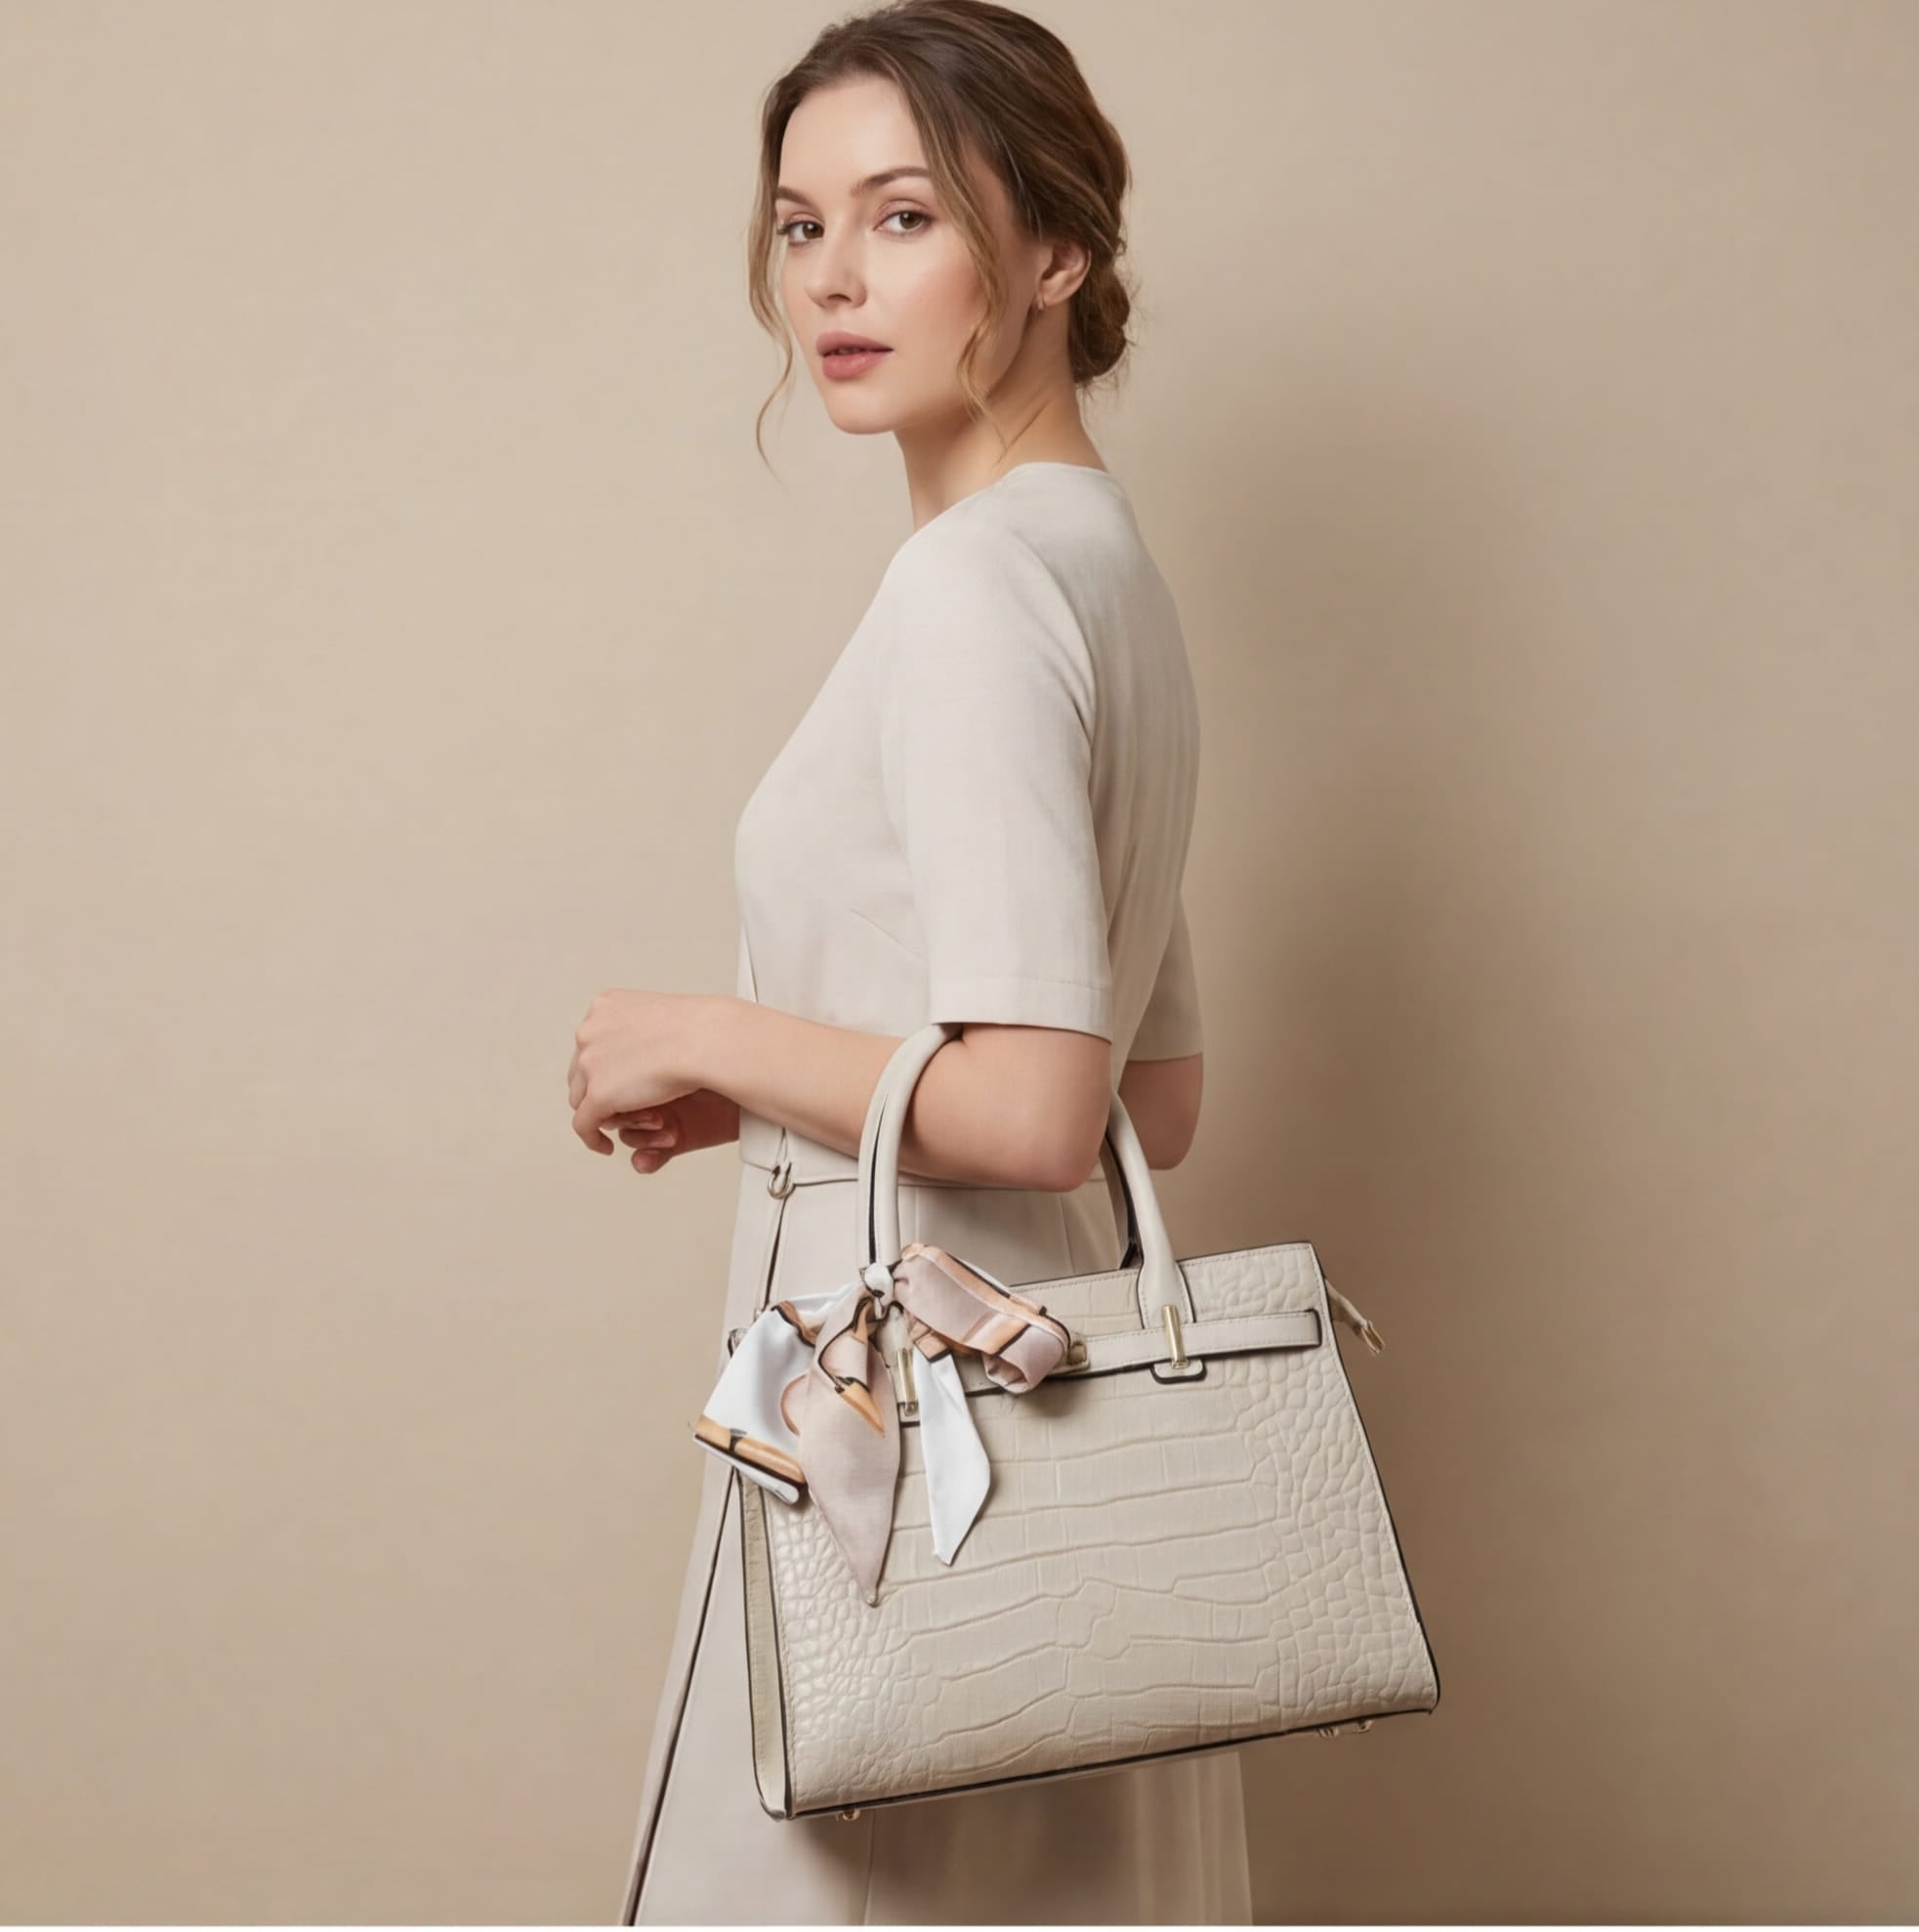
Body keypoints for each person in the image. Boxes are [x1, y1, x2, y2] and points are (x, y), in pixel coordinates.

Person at [567, 1, 1251, 1918]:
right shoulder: (1106, 571)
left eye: (899, 216)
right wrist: (770, 1083)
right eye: (797, 227)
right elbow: (1154, 1098)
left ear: (1049, 251)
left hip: (909, 1431)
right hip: (1052, 1431)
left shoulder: (967, 589)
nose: (831, 281)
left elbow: (1036, 1106)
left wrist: (708, 1022)